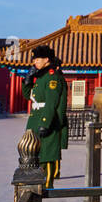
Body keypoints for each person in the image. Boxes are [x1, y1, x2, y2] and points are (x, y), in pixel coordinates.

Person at [24, 44, 69, 188]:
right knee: (37, 154)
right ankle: (39, 184)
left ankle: (47, 186)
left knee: (47, 155)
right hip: (36, 119)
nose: (34, 61)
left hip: (47, 120)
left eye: (38, 58)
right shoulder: (41, 77)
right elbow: (28, 96)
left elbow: (51, 102)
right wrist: (28, 80)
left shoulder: (52, 77)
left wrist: (46, 122)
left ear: (46, 59)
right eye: (34, 59)